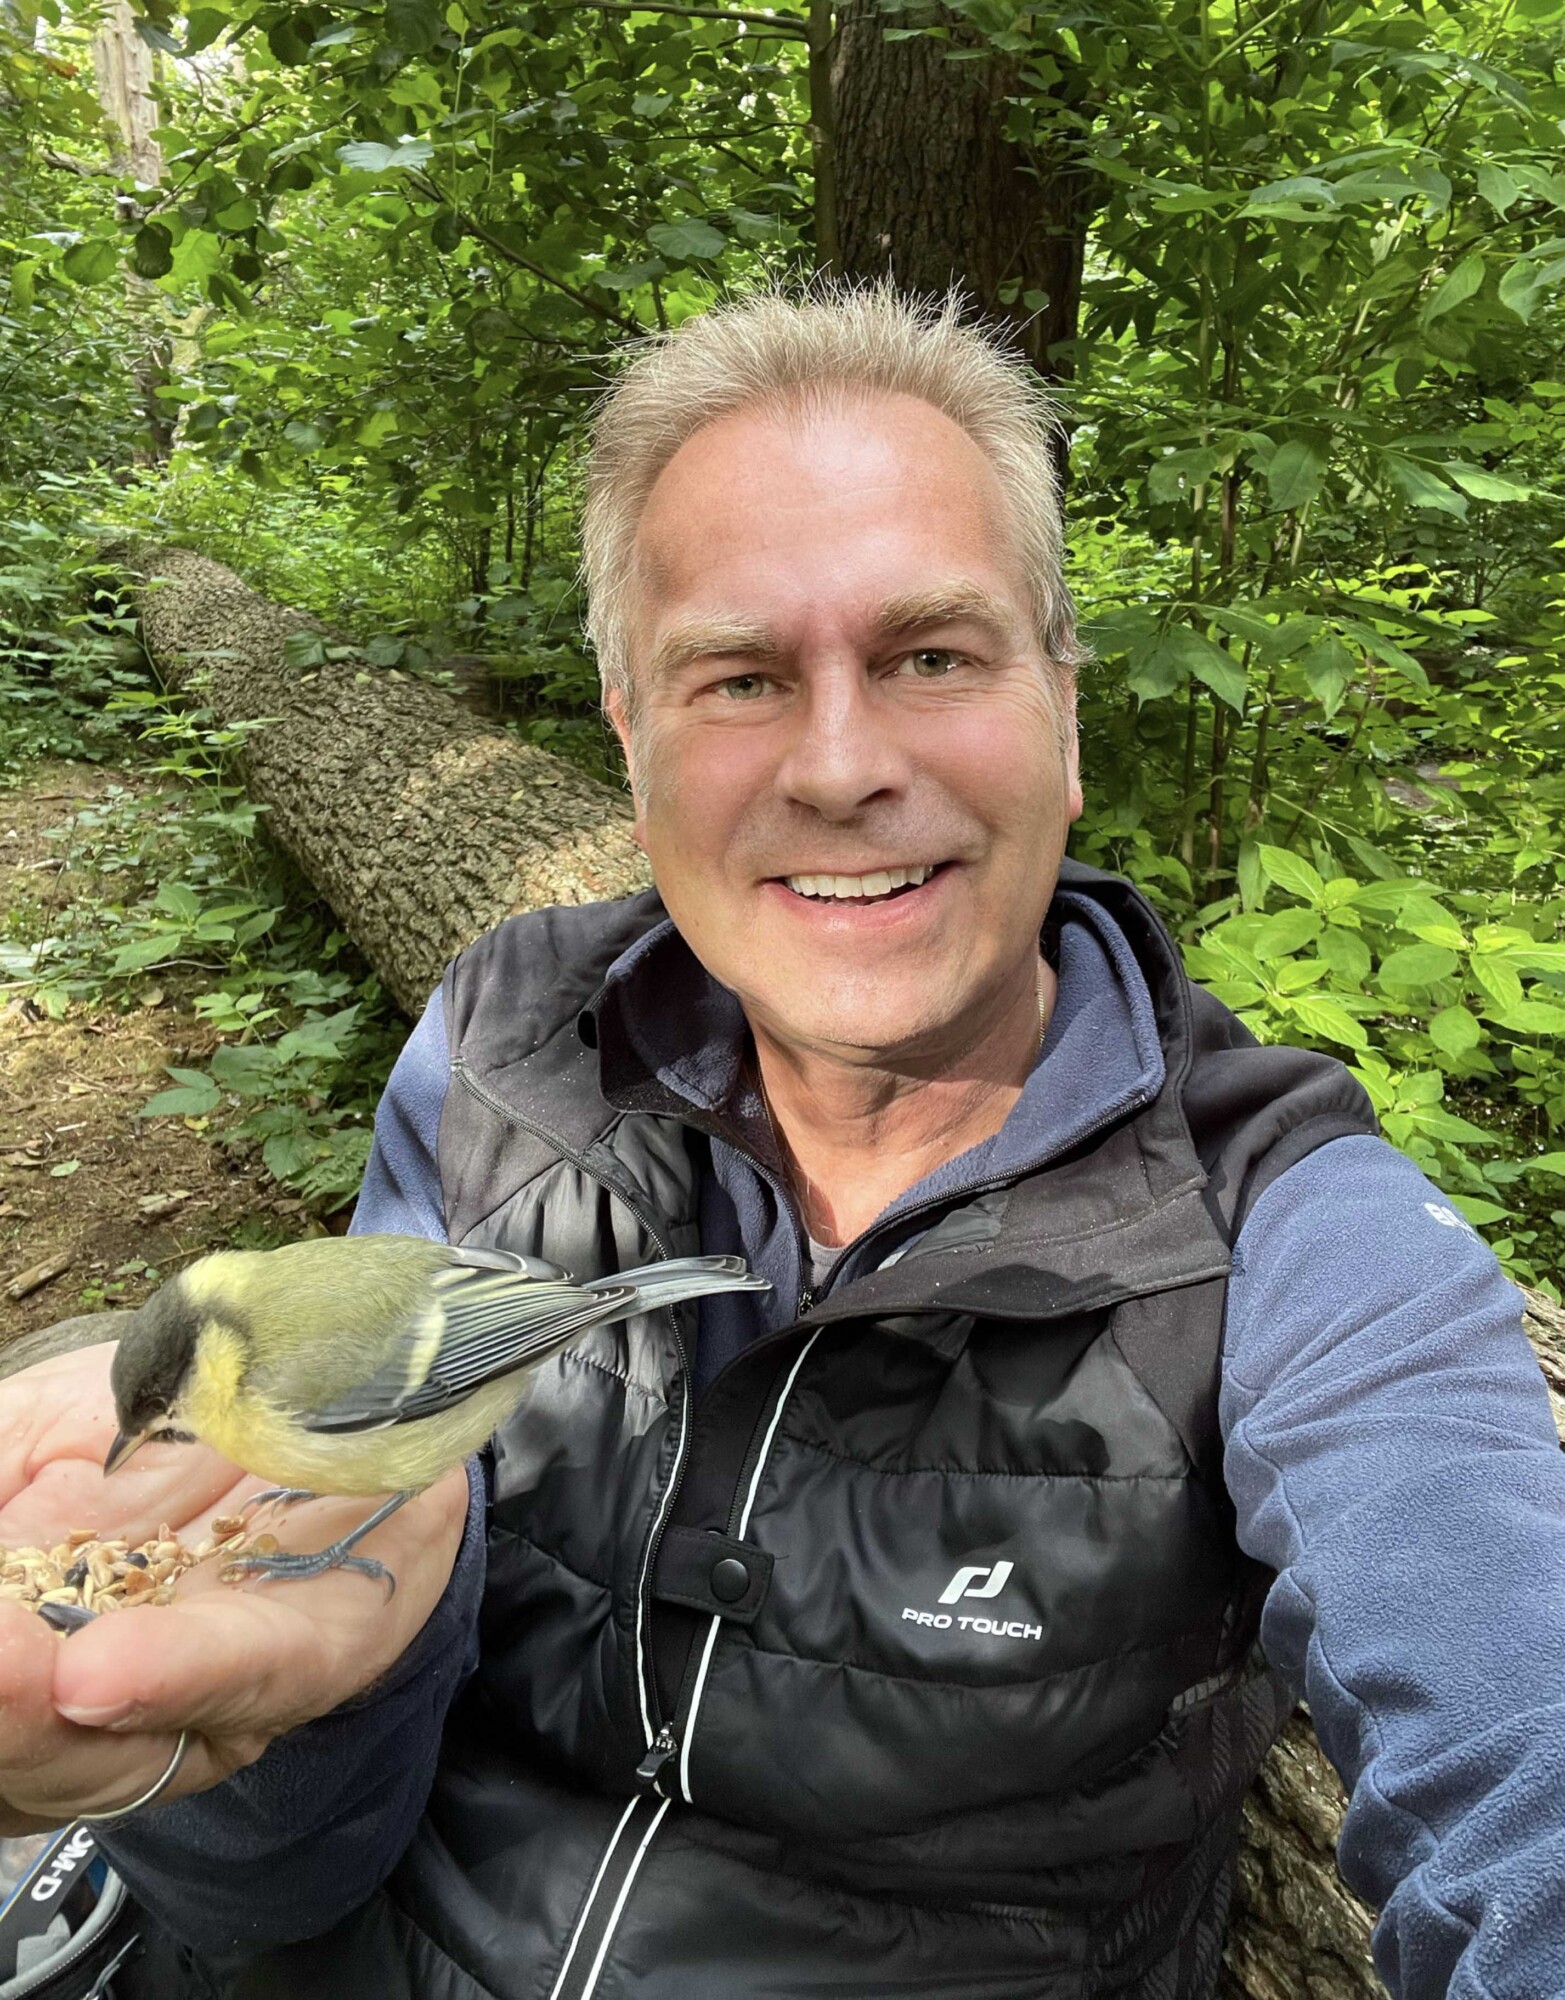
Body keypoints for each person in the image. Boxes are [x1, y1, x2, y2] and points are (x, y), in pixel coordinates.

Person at [2, 285, 1562, 2000]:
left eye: (931, 655)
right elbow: (270, 1884)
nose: (837, 766)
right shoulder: (505, 1043)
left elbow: (1514, 1728)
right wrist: (276, 1718)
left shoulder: (1288, 1226)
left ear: (1063, 705)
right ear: (631, 737)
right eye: (739, 676)